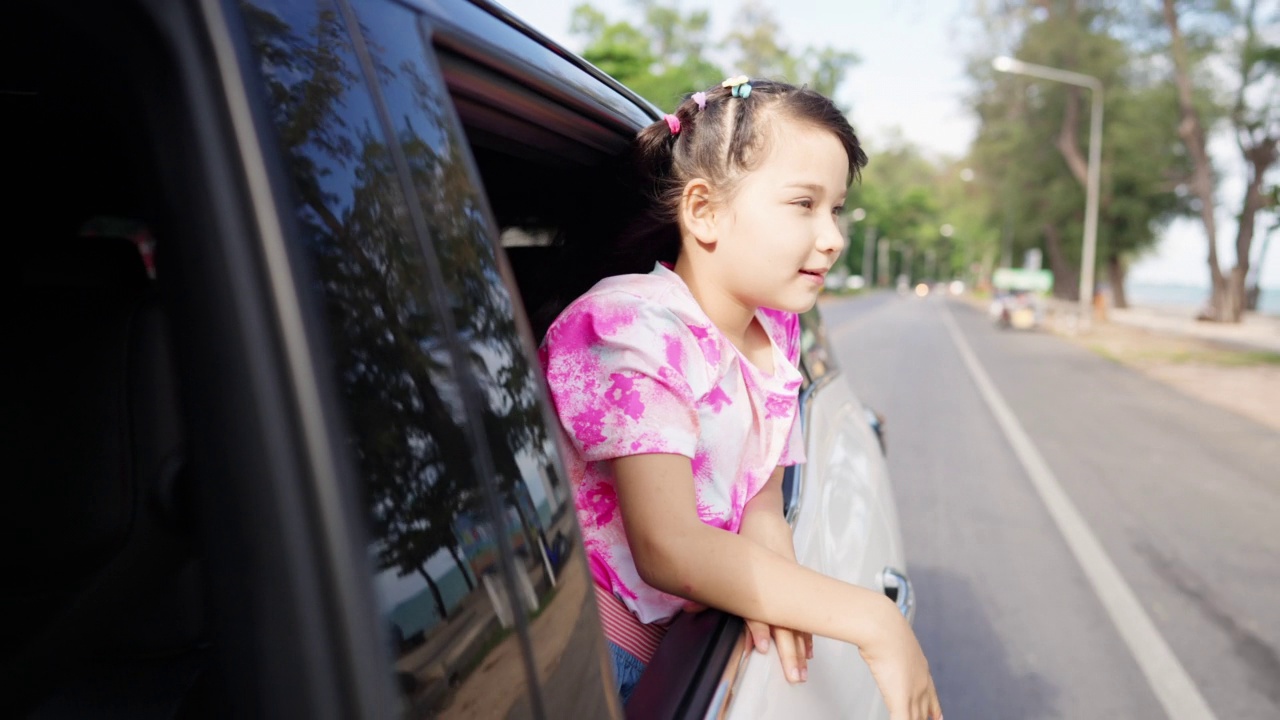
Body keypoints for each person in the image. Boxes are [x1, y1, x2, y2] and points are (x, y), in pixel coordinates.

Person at [539, 76, 942, 719]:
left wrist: (778, 593)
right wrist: (876, 621)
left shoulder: (775, 328)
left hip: (682, 644)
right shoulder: (627, 329)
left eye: (836, 209)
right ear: (704, 211)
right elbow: (668, 546)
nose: (834, 237)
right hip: (603, 656)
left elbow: (761, 505)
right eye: (804, 204)